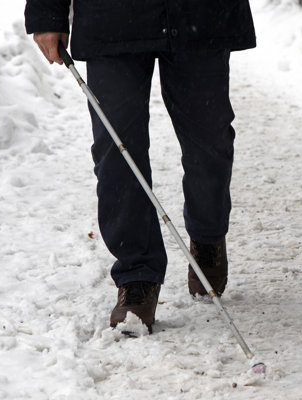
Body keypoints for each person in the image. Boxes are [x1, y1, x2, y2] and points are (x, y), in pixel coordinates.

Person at [24, 0, 256, 334]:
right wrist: (48, 12)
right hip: (112, 16)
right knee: (118, 149)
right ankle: (137, 275)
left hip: (202, 14)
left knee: (210, 141)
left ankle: (208, 235)